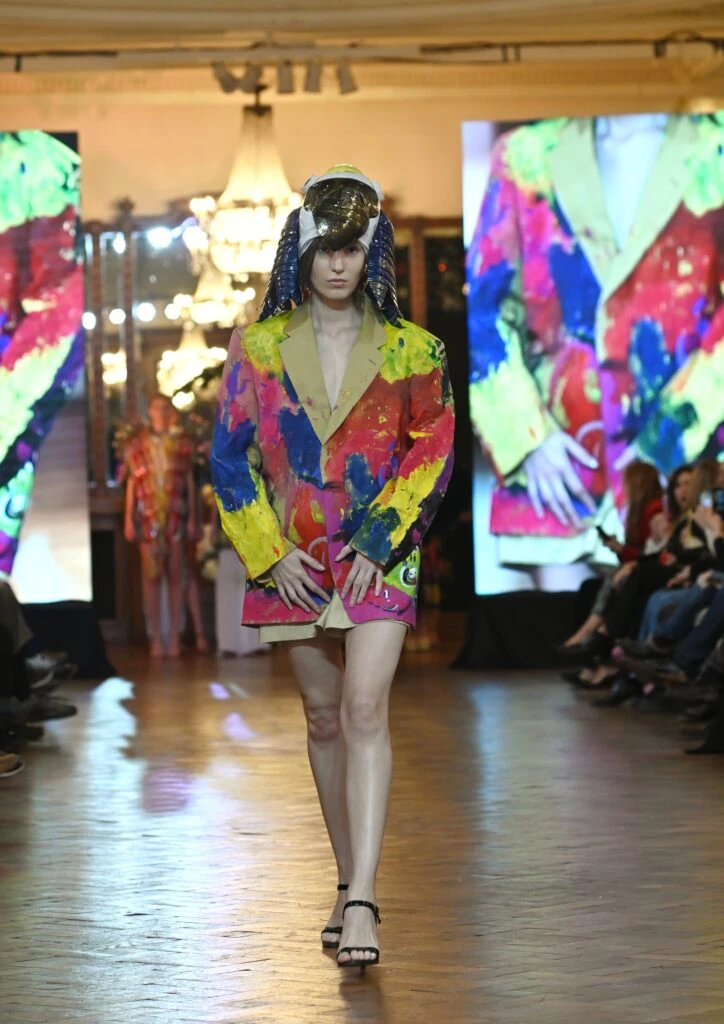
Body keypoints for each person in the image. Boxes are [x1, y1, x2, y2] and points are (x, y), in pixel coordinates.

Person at [211, 166, 454, 972]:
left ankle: (363, 899)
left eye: (353, 248)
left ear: (372, 251)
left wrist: (381, 539)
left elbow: (433, 452)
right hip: (294, 564)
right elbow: (230, 459)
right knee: (321, 719)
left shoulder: (416, 350)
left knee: (362, 707)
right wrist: (268, 553)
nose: (340, 264)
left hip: (380, 556)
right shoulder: (258, 348)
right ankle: (346, 876)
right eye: (327, 248)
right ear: (303, 252)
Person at [467, 113, 724, 583]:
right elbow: (486, 304)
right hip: (556, 475)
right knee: (564, 612)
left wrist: (670, 434)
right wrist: (526, 438)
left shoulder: (716, 146)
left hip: (692, 463)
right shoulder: (525, 155)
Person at [123, 394, 195, 658]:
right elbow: (132, 482)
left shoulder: (181, 443)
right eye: (156, 408)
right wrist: (128, 519)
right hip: (148, 517)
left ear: (171, 412)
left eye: (166, 408)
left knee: (175, 575)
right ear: (149, 412)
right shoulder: (137, 445)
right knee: (151, 577)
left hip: (175, 514)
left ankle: (174, 636)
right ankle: (155, 637)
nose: (161, 413)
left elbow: (188, 482)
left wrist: (193, 518)